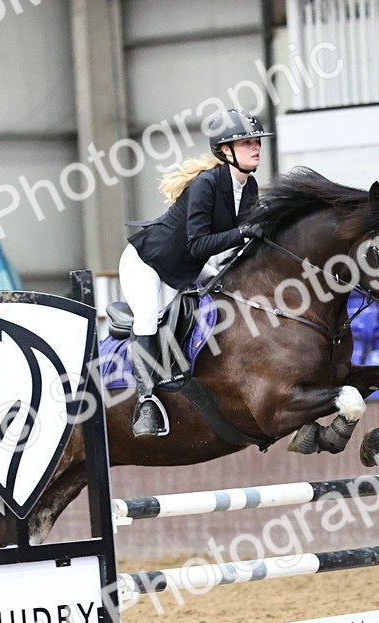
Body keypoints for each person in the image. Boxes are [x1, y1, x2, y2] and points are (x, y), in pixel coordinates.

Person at [120, 108, 273, 437]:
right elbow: (200, 244)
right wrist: (244, 231)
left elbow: (238, 240)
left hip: (185, 267)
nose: (256, 147)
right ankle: (145, 403)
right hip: (147, 261)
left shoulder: (249, 187)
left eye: (257, 141)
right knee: (147, 316)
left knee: (228, 292)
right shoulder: (206, 184)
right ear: (226, 150)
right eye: (246, 142)